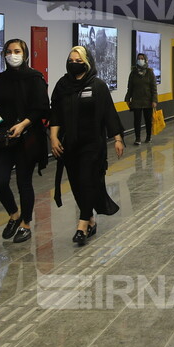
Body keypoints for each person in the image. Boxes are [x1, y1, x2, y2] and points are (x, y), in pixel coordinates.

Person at [50, 46, 124, 245]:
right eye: (71, 60)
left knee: (87, 179)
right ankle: (90, 218)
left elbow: (109, 112)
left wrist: (117, 138)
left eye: (78, 60)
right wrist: (54, 138)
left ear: (87, 62)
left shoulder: (97, 85)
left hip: (92, 143)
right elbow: (55, 114)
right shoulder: (62, 86)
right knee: (76, 183)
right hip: (69, 143)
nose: (74, 63)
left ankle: (82, 224)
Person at [0, 39, 50, 244]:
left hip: (27, 139)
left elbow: (41, 108)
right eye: (9, 52)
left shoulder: (35, 78)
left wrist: (23, 125)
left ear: (25, 54)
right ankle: (14, 215)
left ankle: (26, 223)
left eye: (17, 51)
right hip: (3, 139)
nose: (13, 55)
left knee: (23, 182)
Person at [125, 51, 158, 144]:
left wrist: (154, 100)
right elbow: (130, 87)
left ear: (146, 60)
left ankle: (148, 136)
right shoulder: (133, 73)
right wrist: (128, 98)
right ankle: (138, 138)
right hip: (136, 100)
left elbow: (154, 88)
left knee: (148, 120)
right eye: (139, 59)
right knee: (137, 120)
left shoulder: (150, 72)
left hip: (148, 100)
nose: (140, 60)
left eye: (142, 59)